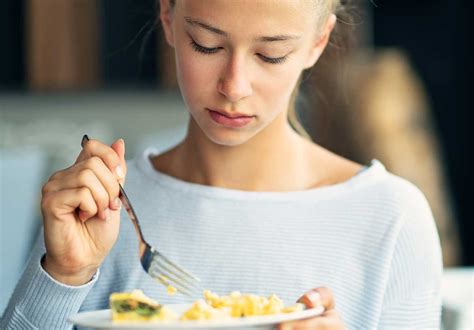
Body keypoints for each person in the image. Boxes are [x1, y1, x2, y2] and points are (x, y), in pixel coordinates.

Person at [1, 0, 443, 329]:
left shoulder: (390, 218)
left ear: (318, 42)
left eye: (270, 55)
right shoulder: (100, 211)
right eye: (207, 45)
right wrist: (63, 275)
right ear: (169, 18)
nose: (234, 87)